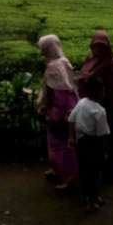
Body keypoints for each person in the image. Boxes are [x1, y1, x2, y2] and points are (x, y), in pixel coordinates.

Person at [77, 30, 113, 182]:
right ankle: (102, 171)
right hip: (93, 105)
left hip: (109, 107)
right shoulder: (90, 59)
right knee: (97, 141)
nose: (98, 49)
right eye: (95, 46)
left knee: (111, 140)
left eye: (101, 46)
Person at [36, 34, 79, 190]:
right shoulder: (64, 62)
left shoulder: (53, 67)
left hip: (59, 113)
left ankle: (68, 178)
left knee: (60, 146)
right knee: (62, 144)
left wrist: (43, 105)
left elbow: (55, 92)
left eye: (43, 49)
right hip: (69, 110)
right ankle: (59, 171)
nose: (42, 53)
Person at [68, 76, 110, 212]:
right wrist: (103, 151)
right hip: (94, 145)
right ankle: (92, 201)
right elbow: (101, 135)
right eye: (103, 90)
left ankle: (87, 197)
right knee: (95, 174)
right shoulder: (100, 111)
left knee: (84, 172)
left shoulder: (81, 102)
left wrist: (71, 137)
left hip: (81, 143)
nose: (104, 92)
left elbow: (71, 119)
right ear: (98, 92)